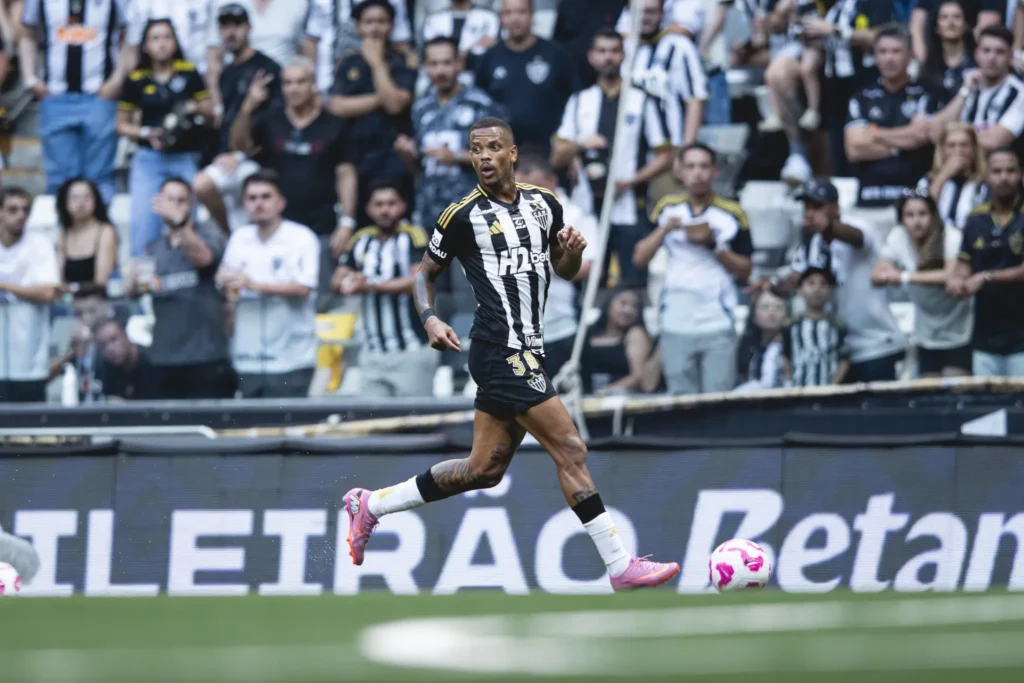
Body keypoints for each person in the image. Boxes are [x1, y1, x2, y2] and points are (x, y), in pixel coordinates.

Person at [340, 116, 679, 590]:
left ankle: (371, 505)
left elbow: (565, 269)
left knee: (484, 470)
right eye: (476, 148)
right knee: (571, 447)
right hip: (499, 349)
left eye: (493, 147)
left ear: (513, 153)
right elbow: (424, 273)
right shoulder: (461, 215)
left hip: (530, 348)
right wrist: (430, 318)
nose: (484, 156)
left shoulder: (545, 204)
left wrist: (572, 252)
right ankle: (620, 565)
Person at [551, 27, 673, 290]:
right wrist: (579, 145)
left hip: (630, 207)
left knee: (632, 284)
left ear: (623, 55)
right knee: (589, 283)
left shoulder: (641, 100)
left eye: (614, 51)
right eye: (602, 51)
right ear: (591, 56)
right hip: (587, 209)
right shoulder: (579, 101)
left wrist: (630, 182)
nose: (608, 57)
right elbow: (557, 156)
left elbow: (665, 157)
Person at [230, 56, 356, 303]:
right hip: (275, 227)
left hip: (320, 223)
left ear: (313, 85)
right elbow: (239, 145)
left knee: (320, 299)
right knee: (274, 293)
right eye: (287, 83)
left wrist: (347, 221)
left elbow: (346, 173)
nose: (293, 88)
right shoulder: (270, 119)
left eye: (300, 82)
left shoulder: (334, 124)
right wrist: (247, 107)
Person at [633, 143, 753, 395]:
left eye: (703, 166)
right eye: (690, 166)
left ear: (714, 171)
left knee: (718, 399)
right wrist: (665, 229)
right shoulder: (666, 208)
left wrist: (715, 246)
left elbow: (746, 270)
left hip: (717, 320)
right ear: (679, 171)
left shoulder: (732, 212)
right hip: (676, 321)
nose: (697, 173)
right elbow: (639, 258)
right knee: (681, 401)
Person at [778, 179, 907, 382]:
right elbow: (795, 278)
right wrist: (772, 285)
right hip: (834, 350)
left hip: (875, 344)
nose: (810, 213)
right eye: (807, 207)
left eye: (817, 206)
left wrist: (828, 228)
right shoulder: (812, 243)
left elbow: (857, 237)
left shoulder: (858, 226)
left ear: (835, 207)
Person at [216, 169, 320, 398]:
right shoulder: (239, 238)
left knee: (287, 419)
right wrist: (223, 282)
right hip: (247, 356)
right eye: (252, 198)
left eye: (265, 197)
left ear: (281, 202)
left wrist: (253, 285)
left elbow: (304, 287)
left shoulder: (302, 238)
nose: (258, 204)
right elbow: (228, 286)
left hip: (291, 357)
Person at [117, 19, 213, 257]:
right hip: (149, 158)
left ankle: (190, 270)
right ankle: (143, 273)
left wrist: (193, 107)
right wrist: (145, 133)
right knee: (144, 220)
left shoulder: (188, 72)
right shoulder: (136, 78)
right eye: (155, 38)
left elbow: (209, 111)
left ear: (175, 42)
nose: (162, 44)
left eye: (167, 37)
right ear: (146, 45)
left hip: (184, 155)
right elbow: (121, 125)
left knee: (187, 218)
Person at [331, 181, 436, 397]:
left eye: (391, 203)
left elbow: (418, 281)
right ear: (369, 209)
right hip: (372, 353)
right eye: (378, 204)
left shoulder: (415, 236)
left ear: (402, 206)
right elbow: (336, 281)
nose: (385, 210)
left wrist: (371, 285)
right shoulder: (361, 239)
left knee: (416, 416)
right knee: (373, 415)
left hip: (411, 350)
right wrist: (350, 282)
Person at [135, 178, 236, 399]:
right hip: (164, 357)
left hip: (206, 356)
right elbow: (138, 290)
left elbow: (204, 258)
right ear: (158, 203)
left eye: (181, 200)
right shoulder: (153, 247)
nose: (175, 206)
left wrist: (181, 224)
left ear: (191, 205)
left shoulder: (208, 232)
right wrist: (132, 283)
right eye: (170, 200)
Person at [20, 0, 125, 203]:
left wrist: (117, 79)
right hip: (56, 97)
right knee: (59, 179)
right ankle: (61, 224)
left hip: (99, 96)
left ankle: (102, 224)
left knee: (99, 178)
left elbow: (129, 36)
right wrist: (30, 78)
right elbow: (27, 34)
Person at [193, 3, 283, 233]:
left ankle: (234, 235)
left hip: (255, 159)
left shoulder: (266, 67)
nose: (230, 32)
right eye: (225, 26)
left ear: (249, 28)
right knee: (202, 187)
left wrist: (241, 154)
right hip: (224, 158)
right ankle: (230, 235)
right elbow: (218, 121)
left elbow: (272, 124)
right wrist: (212, 83)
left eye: (237, 25)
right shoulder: (224, 72)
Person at [328, 0, 416, 228]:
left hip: (393, 159)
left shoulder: (403, 61)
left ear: (392, 26)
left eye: (381, 21)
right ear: (358, 27)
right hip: (358, 160)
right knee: (360, 229)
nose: (375, 28)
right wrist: (383, 97)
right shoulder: (348, 62)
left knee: (399, 229)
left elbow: (395, 105)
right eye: (368, 22)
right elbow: (337, 106)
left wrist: (376, 63)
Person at [872, 189, 972, 378]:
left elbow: (949, 275)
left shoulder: (950, 236)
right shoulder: (898, 236)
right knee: (929, 390)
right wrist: (895, 274)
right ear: (901, 219)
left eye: (922, 214)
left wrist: (903, 277)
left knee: (957, 388)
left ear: (933, 215)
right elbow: (876, 275)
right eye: (909, 215)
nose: (916, 221)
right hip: (926, 333)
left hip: (959, 330)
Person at [517, 154, 598, 377]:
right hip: (518, 329)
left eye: (535, 187)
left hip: (564, 324)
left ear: (552, 180)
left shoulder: (575, 216)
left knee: (567, 391)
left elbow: (588, 269)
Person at [948, 148, 1024, 377]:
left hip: (1021, 338)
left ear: (1020, 174)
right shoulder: (975, 219)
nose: (1004, 177)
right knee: (986, 398)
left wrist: (985, 277)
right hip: (984, 337)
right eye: (997, 171)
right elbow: (964, 263)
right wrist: (957, 280)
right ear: (986, 176)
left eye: (1010, 171)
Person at [844, 24, 935, 209]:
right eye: (883, 52)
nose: (889, 58)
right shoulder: (862, 97)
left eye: (896, 51)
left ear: (910, 55)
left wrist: (874, 133)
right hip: (869, 198)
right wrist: (904, 143)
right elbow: (854, 149)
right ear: (875, 56)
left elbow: (920, 136)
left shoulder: (926, 94)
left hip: (913, 202)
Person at [474, 0, 579, 155]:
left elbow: (574, 99)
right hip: (499, 152)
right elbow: (478, 102)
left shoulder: (555, 55)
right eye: (508, 13)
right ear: (501, 18)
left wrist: (566, 140)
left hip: (547, 151)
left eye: (521, 12)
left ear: (532, 15)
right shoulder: (489, 57)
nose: (515, 18)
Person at [0, 188, 60, 403]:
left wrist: (5, 286)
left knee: (30, 415)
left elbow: (49, 292)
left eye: (25, 210)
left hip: (30, 354)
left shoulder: (40, 244)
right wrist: (24, 290)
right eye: (13, 209)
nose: (21, 215)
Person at [931, 25, 1024, 153]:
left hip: (994, 162)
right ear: (976, 54)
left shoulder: (1019, 92)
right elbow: (934, 131)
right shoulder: (966, 83)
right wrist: (964, 92)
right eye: (986, 50)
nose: (991, 58)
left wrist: (952, 137)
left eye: (1000, 52)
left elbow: (995, 140)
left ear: (1010, 57)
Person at [629, 0, 707, 149]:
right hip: (631, 147)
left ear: (662, 13)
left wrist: (686, 148)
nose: (645, 17)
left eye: (651, 11)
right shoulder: (624, 47)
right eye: (640, 11)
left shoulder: (679, 46)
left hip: (671, 144)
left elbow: (695, 99)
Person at [782, 268, 850, 386]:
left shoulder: (838, 326)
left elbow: (844, 360)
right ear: (800, 289)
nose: (817, 289)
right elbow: (786, 357)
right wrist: (789, 383)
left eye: (823, 284)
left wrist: (833, 386)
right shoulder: (790, 326)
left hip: (828, 391)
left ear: (830, 291)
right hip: (797, 389)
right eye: (811, 283)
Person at [580, 288, 652, 395]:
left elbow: (638, 376)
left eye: (634, 306)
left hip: (619, 397)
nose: (628, 310)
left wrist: (607, 391)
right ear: (609, 304)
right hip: (582, 394)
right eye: (623, 303)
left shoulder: (635, 334)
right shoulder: (587, 333)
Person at [918, 122, 988, 229]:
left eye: (964, 145)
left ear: (974, 148)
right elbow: (920, 213)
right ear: (942, 149)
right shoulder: (927, 181)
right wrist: (943, 176)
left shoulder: (985, 183)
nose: (958, 151)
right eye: (951, 146)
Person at [55, 177, 118, 289]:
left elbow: (101, 282)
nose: (81, 203)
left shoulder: (106, 232)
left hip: (98, 297)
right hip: (69, 298)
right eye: (75, 198)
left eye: (87, 197)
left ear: (96, 200)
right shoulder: (63, 237)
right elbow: (59, 281)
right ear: (65, 202)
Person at [921, 0, 976, 110]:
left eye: (957, 17)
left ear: (966, 25)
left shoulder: (976, 62)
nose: (951, 22)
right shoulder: (928, 67)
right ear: (936, 27)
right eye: (944, 17)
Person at [735, 286, 787, 391]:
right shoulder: (747, 346)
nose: (772, 313)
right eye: (765, 307)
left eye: (778, 307)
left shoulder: (791, 344)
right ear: (754, 313)